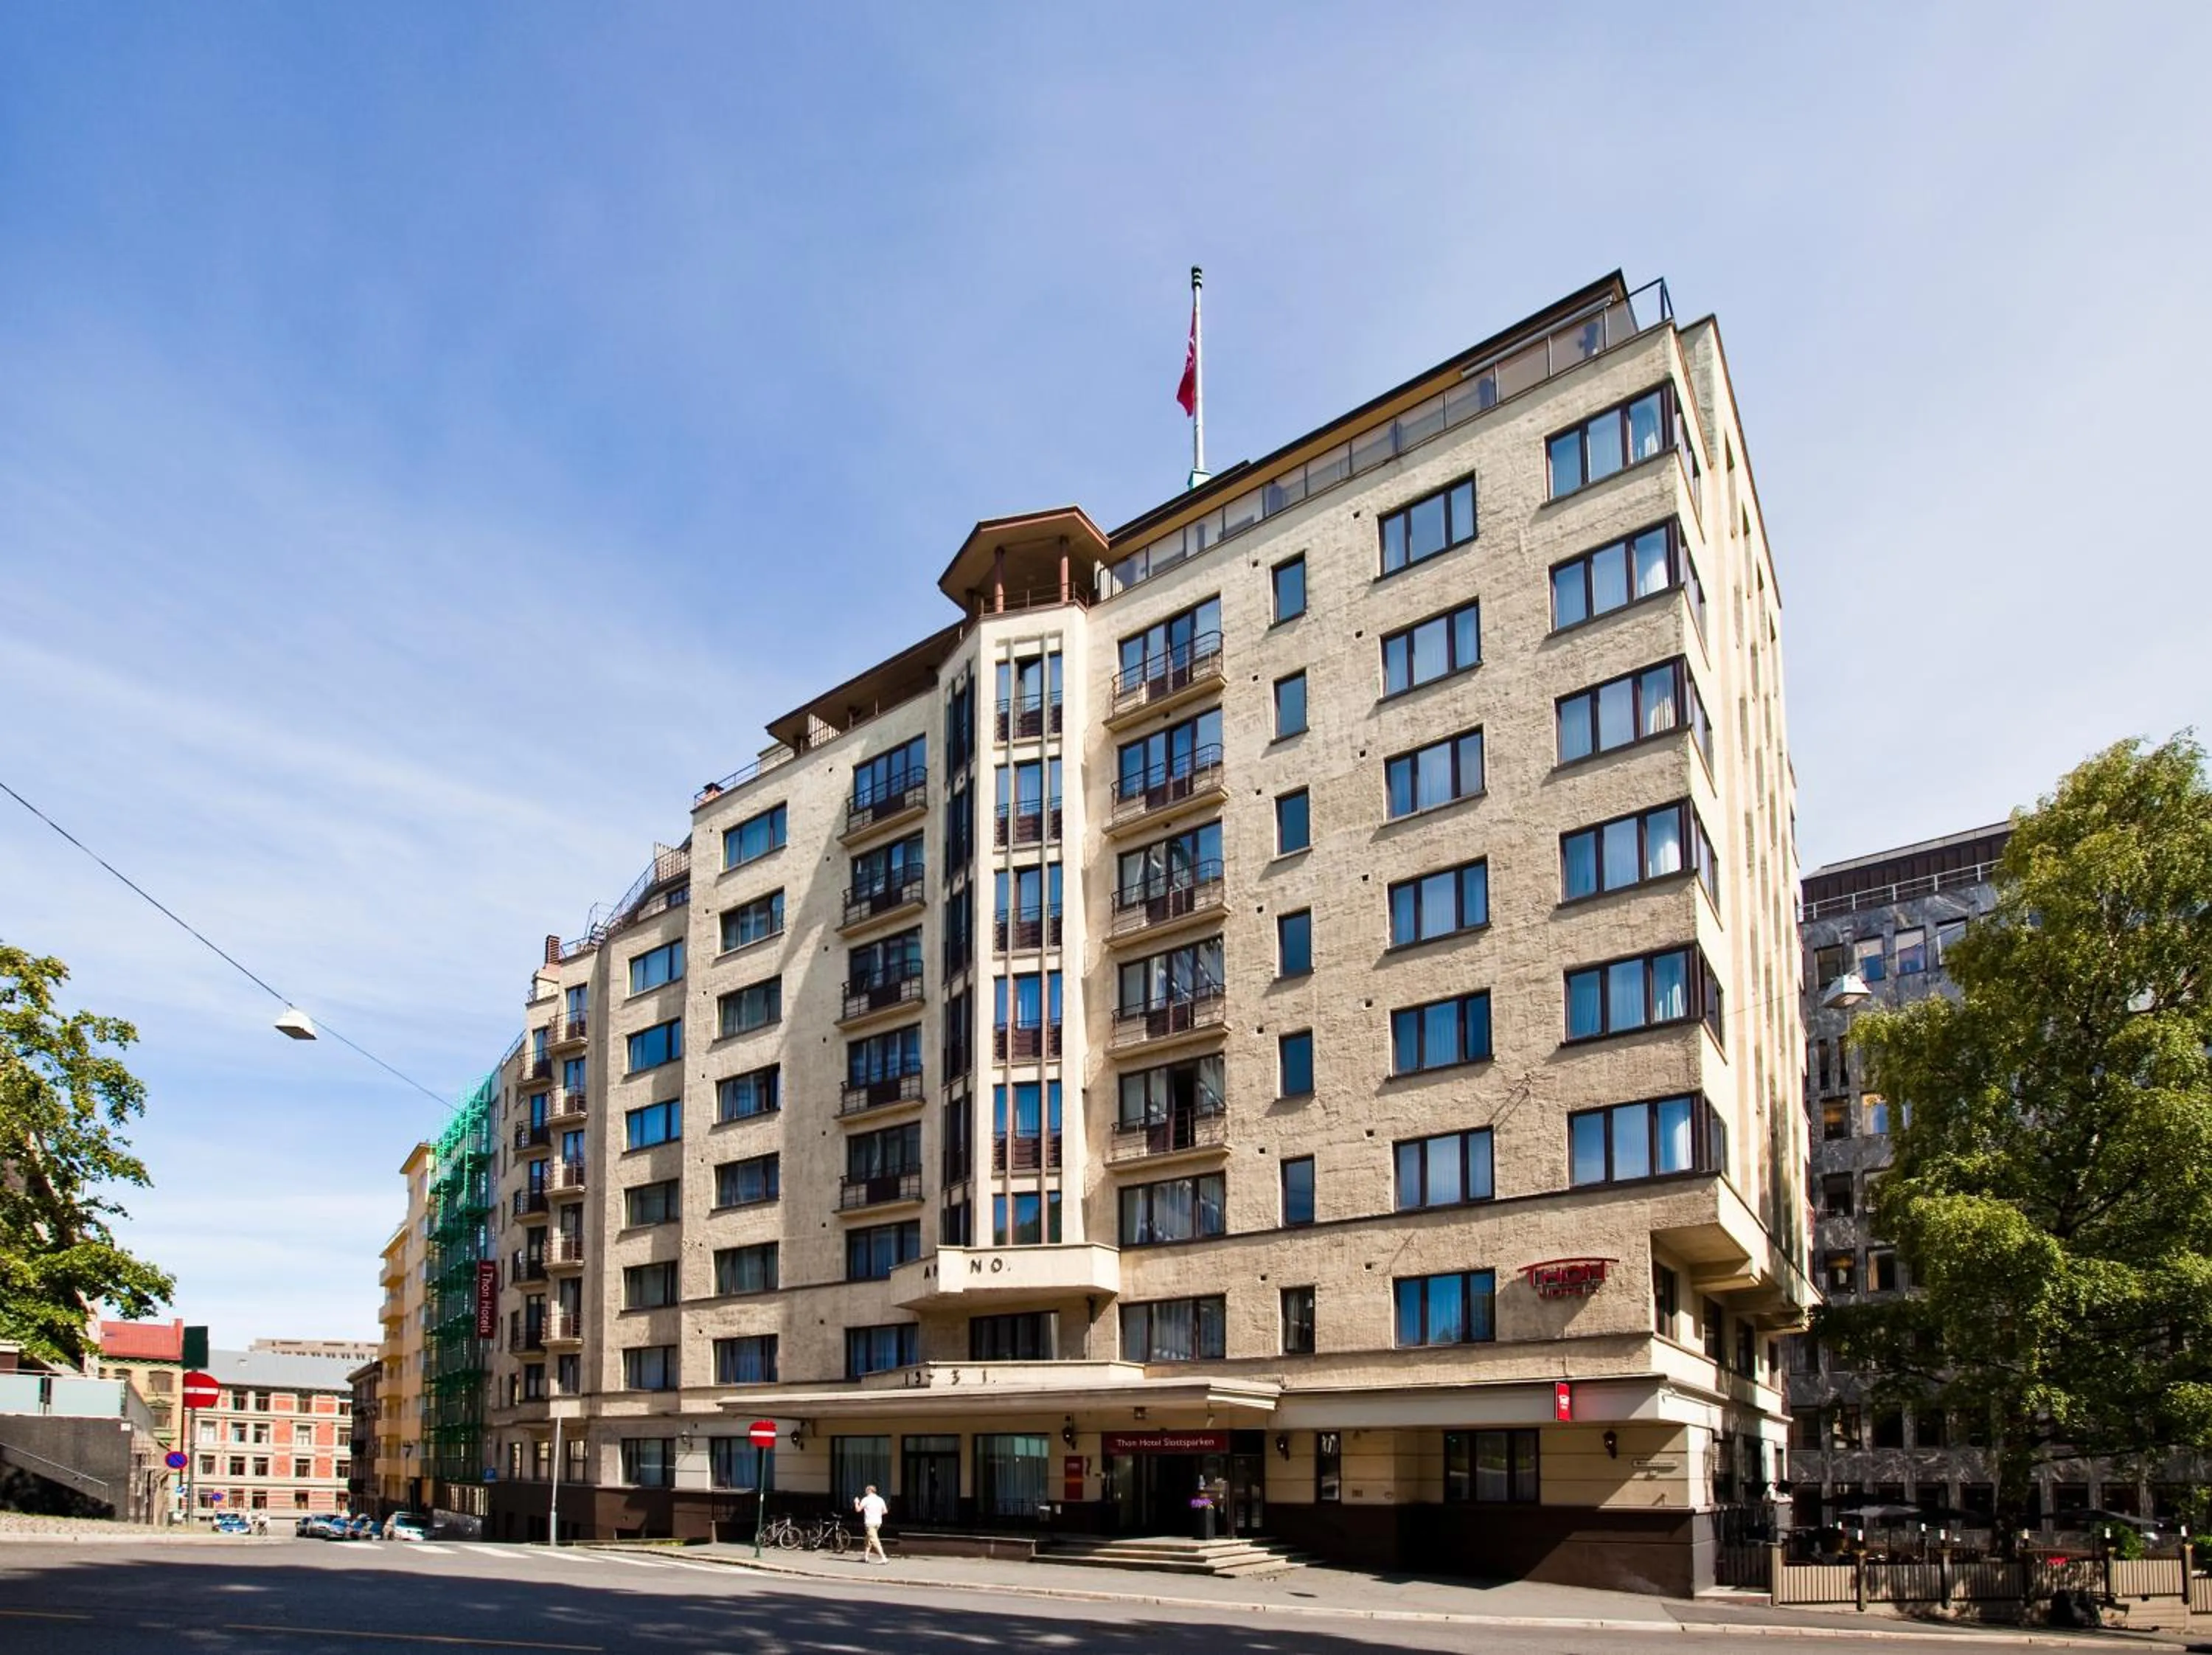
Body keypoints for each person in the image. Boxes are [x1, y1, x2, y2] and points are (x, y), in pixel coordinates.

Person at [853, 1483, 889, 1563]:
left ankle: (883, 1557)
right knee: (868, 1539)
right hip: (878, 1522)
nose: (865, 1491)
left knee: (874, 1540)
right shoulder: (880, 1499)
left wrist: (856, 1502)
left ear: (869, 1490)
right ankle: (865, 1557)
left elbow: (858, 1510)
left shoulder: (866, 1499)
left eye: (866, 1490)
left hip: (870, 1522)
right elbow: (885, 1511)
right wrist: (877, 1514)